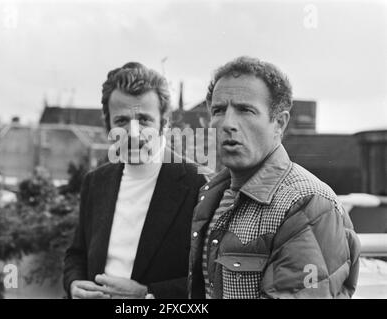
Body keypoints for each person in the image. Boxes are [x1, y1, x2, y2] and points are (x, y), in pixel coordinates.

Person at [188, 56, 360, 299]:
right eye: (218, 110)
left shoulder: (307, 204)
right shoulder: (211, 194)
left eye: (245, 110)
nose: (227, 123)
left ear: (279, 123)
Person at [63, 62, 206, 299]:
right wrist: (74, 285)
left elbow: (211, 278)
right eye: (121, 121)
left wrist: (148, 295)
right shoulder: (95, 181)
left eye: (144, 120)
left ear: (165, 122)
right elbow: (76, 253)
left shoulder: (200, 184)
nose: (133, 133)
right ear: (107, 123)